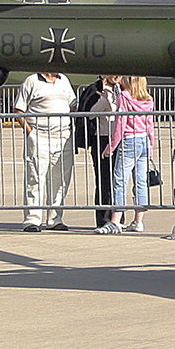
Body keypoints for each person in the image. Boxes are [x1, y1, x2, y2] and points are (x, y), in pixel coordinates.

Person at [13, 71, 75, 232]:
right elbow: (19, 109)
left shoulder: (64, 80)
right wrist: (30, 132)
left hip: (63, 137)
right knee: (35, 178)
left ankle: (55, 219)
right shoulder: (31, 81)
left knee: (61, 179)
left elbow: (73, 104)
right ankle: (32, 219)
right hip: (39, 136)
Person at [97, 76, 155, 235]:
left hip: (129, 140)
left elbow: (120, 123)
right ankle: (139, 220)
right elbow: (150, 125)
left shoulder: (125, 96)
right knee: (141, 181)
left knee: (120, 180)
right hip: (143, 139)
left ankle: (116, 220)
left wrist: (112, 146)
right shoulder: (148, 99)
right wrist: (151, 146)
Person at [75, 75, 120, 228]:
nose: (116, 76)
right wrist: (104, 101)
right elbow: (90, 113)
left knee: (118, 179)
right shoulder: (95, 90)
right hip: (102, 139)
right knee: (104, 180)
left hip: (119, 139)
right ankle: (103, 218)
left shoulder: (122, 89)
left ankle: (117, 217)